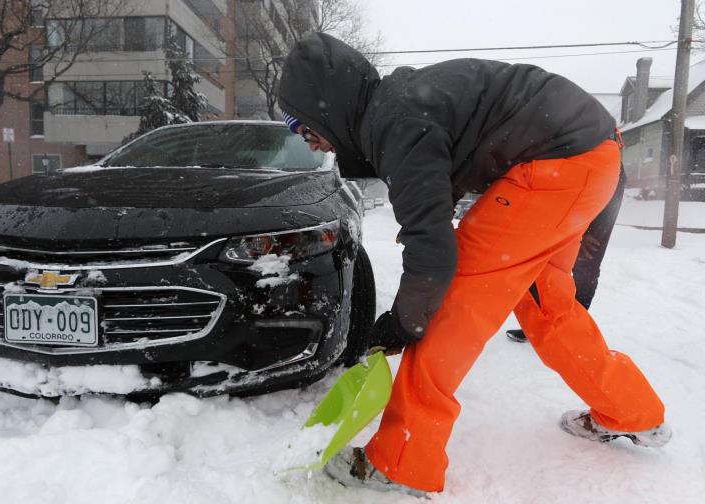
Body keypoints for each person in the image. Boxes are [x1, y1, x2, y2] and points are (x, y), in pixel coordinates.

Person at [278, 32, 670, 496]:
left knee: (448, 312)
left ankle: (402, 461)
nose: (315, 146)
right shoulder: (400, 105)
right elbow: (443, 181)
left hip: (556, 168)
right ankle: (632, 412)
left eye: (306, 130)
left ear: (328, 109)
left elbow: (433, 258)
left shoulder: (395, 121)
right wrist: (428, 233)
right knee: (547, 304)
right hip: (591, 160)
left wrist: (403, 323)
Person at [506, 166, 627, 343]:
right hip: (565, 178)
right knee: (545, 260)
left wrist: (586, 228)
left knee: (586, 262)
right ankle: (540, 324)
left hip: (604, 177)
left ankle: (571, 329)